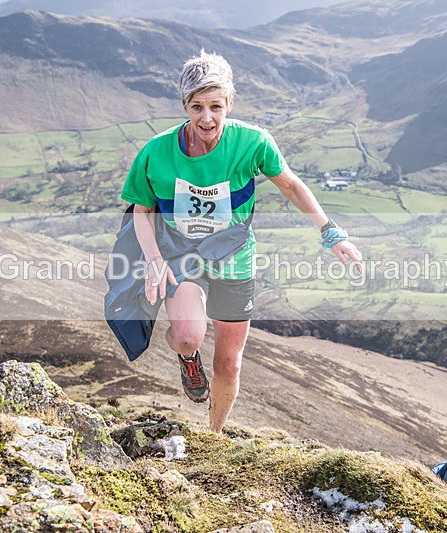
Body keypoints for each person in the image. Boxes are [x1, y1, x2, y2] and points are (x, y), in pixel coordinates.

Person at [119, 50, 362, 434]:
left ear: (229, 104)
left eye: (216, 106)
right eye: (197, 107)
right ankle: (188, 358)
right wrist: (153, 259)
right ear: (185, 106)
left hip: (234, 257)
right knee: (187, 337)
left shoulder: (253, 142)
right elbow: (141, 210)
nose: (207, 118)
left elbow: (291, 186)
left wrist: (331, 232)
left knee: (229, 364)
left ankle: (214, 434)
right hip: (182, 255)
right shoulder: (156, 152)